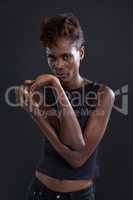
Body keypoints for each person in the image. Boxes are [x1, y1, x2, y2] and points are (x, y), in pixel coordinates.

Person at [15, 13, 115, 200]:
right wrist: (47, 95)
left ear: (81, 53)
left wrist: (37, 114)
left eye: (66, 56)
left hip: (78, 196)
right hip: (39, 191)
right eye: (51, 57)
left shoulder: (102, 94)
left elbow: (76, 157)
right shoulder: (42, 90)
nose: (58, 65)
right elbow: (69, 141)